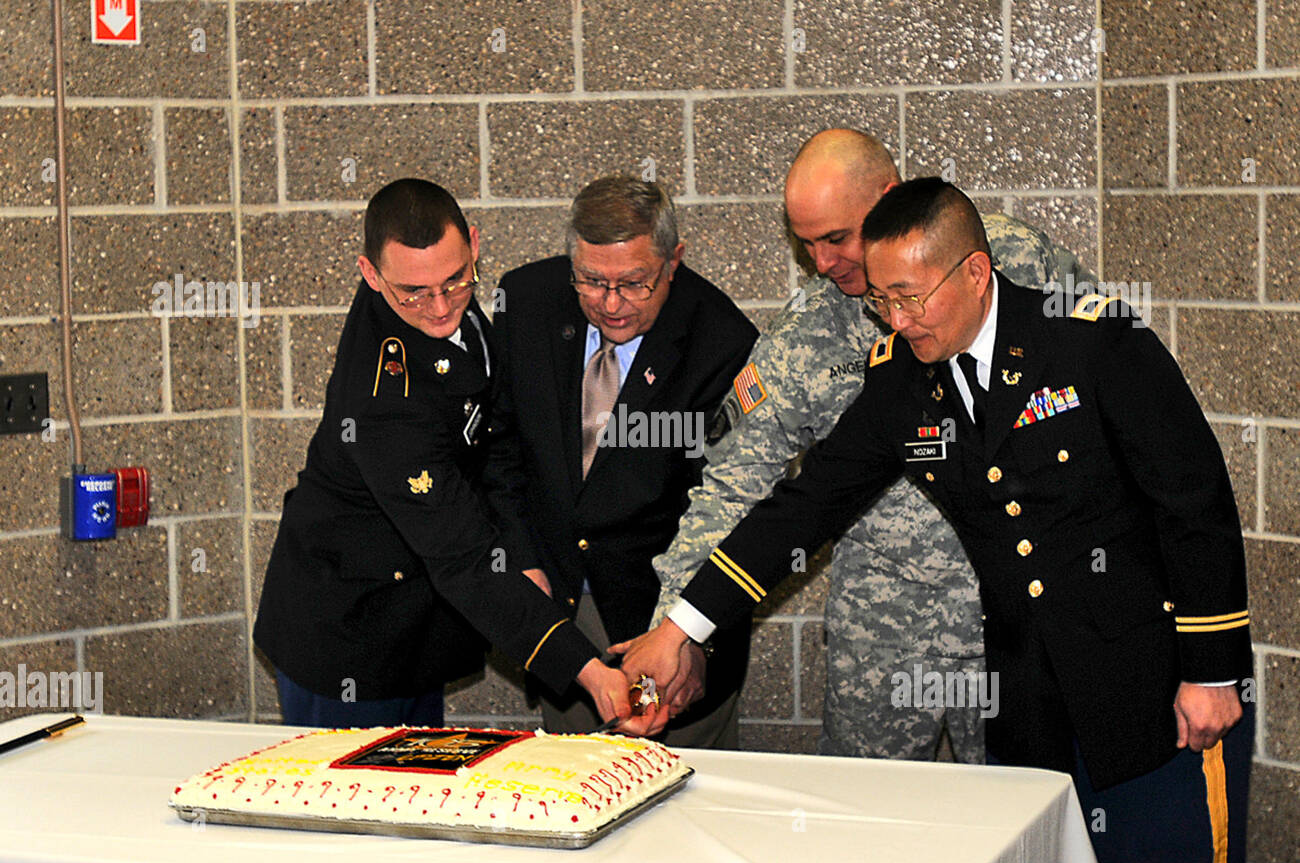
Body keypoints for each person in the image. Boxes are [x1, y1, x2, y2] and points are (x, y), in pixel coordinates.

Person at [621, 178, 1253, 863]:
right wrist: (683, 627)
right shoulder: (901, 380)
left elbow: (1194, 502)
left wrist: (1212, 672)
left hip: (1155, 690)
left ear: (977, 273)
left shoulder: (1091, 342)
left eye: (911, 298)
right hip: (1030, 711)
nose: (897, 320)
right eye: (881, 301)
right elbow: (806, 507)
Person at [652, 128, 1097, 760]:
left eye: (837, 238)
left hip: (1015, 617)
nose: (823, 263)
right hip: (882, 630)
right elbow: (731, 486)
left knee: (1026, 819)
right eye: (806, 245)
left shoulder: (1013, 262)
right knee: (866, 828)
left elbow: (1106, 390)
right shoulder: (806, 333)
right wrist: (675, 629)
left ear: (889, 197)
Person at [254, 178, 631, 730]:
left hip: (415, 626)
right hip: (346, 638)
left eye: (456, 281)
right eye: (413, 292)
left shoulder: (451, 305)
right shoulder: (384, 401)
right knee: (358, 803)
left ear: (474, 246)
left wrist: (519, 550)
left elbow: (493, 441)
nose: (438, 307)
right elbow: (462, 556)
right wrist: (586, 667)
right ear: (370, 275)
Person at [492, 175, 758, 747]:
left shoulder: (723, 342)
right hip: (560, 601)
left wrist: (688, 638)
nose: (611, 304)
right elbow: (499, 449)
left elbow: (728, 513)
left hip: (665, 613)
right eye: (591, 281)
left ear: (673, 262)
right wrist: (518, 560)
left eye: (635, 284)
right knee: (576, 788)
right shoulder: (526, 303)